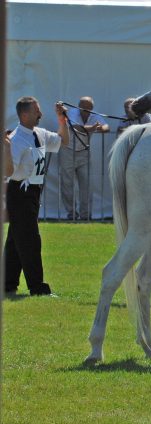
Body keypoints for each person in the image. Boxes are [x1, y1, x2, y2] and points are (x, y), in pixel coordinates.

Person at [4, 97, 69, 297]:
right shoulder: (15, 140)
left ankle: (7, 283)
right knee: (31, 240)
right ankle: (37, 287)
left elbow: (62, 142)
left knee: (16, 240)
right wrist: (5, 149)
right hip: (19, 192)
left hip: (32, 192)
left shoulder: (39, 134)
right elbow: (8, 172)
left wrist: (62, 121)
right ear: (24, 115)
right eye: (36, 111)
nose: (40, 114)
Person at [60, 96, 109, 220]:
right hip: (67, 150)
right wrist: (92, 128)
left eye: (87, 107)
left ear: (92, 108)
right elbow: (74, 127)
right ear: (78, 106)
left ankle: (85, 216)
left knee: (86, 186)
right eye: (82, 106)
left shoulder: (94, 115)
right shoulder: (72, 113)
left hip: (84, 152)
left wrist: (100, 128)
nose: (84, 109)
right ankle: (71, 214)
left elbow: (107, 127)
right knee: (67, 184)